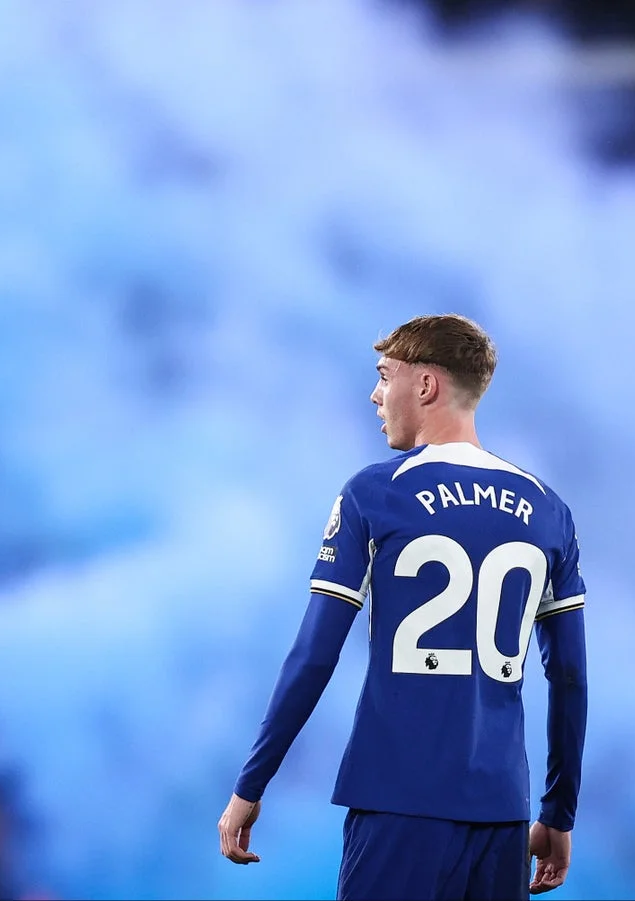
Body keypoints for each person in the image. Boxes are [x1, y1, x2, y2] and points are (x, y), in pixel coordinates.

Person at [217, 314, 588, 900]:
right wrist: (559, 812)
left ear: (426, 384)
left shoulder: (375, 493)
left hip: (397, 808)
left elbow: (314, 656)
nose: (375, 394)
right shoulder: (548, 509)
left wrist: (251, 783)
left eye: (385, 376)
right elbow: (568, 676)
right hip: (502, 814)